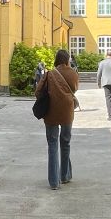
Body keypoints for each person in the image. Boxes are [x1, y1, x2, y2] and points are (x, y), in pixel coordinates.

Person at [35, 48, 79, 190]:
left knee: (52, 144)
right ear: (67, 60)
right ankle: (64, 176)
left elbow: (38, 91)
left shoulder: (49, 74)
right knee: (65, 142)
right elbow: (75, 88)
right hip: (67, 112)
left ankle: (54, 182)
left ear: (56, 59)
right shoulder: (73, 73)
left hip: (51, 113)